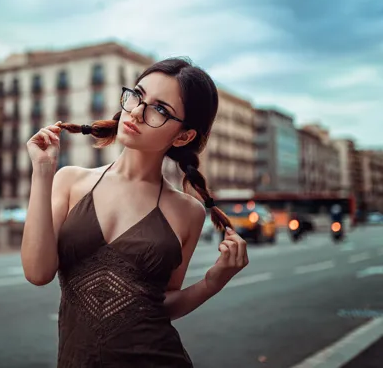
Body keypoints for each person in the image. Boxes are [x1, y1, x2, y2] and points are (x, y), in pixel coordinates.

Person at [21, 58, 250, 367]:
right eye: (138, 96)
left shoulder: (187, 212)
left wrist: (213, 282)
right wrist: (42, 171)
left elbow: (160, 304)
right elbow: (37, 273)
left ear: (183, 136)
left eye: (160, 110)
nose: (137, 113)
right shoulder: (70, 180)